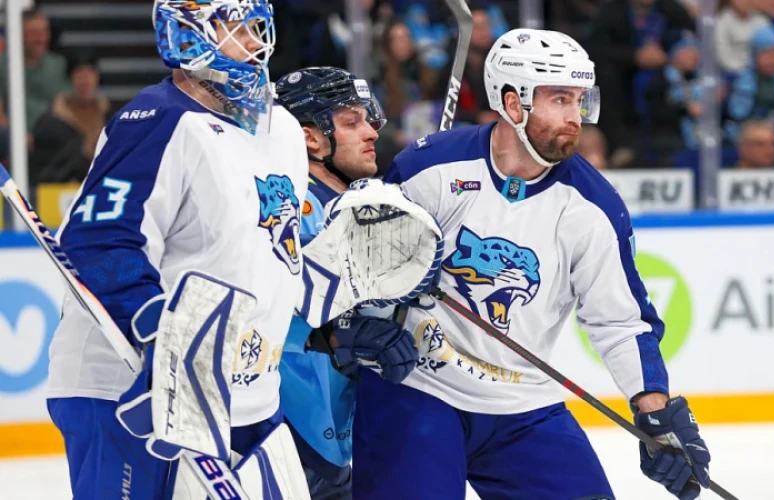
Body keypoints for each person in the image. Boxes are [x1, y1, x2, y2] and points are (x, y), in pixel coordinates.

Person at [355, 28, 712, 500]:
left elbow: (620, 321)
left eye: (580, 101)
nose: (574, 117)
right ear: (513, 102)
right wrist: (366, 320)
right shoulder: (431, 170)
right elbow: (363, 265)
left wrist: (654, 411)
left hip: (523, 404)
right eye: (560, 99)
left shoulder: (593, 206)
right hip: (417, 387)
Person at [47, 1, 314, 497]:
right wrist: (157, 328)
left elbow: (276, 250)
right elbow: (98, 240)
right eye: (234, 28)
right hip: (131, 388)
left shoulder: (283, 129)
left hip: (245, 393)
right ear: (187, 36)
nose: (254, 42)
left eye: (257, 27)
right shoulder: (159, 120)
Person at [273, 66, 421, 499]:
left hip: (337, 433)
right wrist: (337, 336)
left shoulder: (361, 206)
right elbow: (252, 310)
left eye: (369, 119)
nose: (372, 132)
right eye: (351, 122)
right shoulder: (283, 207)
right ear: (310, 138)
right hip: (279, 431)